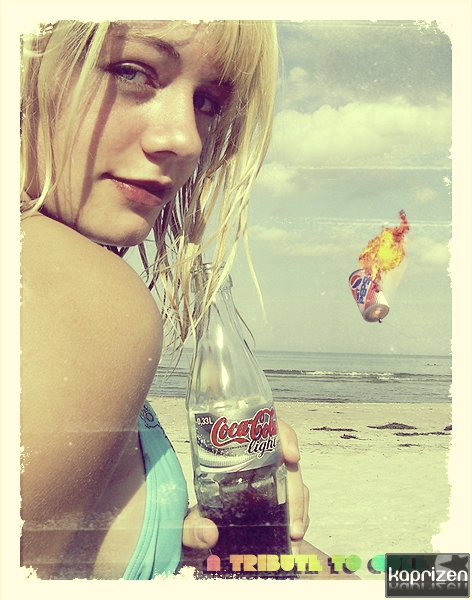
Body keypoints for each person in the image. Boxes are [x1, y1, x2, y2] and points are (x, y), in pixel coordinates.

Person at [20, 19, 311, 580]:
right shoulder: (78, 286)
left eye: (207, 102)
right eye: (132, 71)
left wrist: (199, 558)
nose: (186, 139)